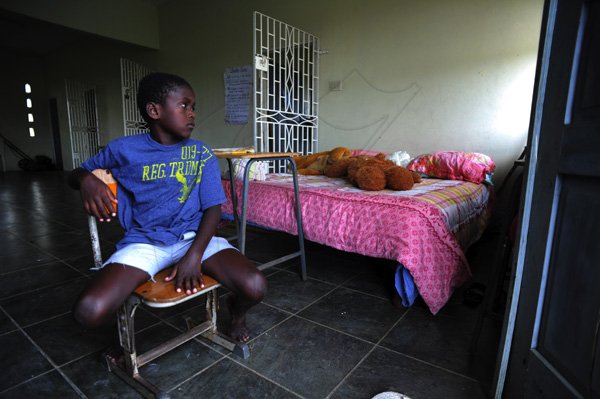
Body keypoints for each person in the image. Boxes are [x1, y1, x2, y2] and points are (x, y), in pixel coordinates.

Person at [68, 72, 266, 343]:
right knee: (88, 311)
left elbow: (213, 209)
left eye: (193, 106)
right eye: (184, 105)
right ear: (154, 110)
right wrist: (85, 179)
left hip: (193, 238)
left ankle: (237, 313)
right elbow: (76, 173)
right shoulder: (123, 149)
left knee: (255, 287)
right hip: (145, 242)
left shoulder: (200, 152)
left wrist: (194, 256)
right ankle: (125, 345)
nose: (192, 113)